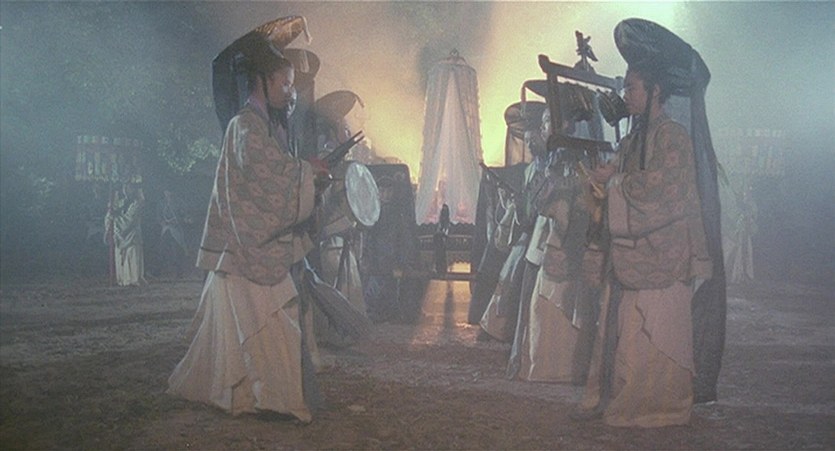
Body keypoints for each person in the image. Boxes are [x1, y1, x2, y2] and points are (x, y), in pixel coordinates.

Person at [167, 36, 325, 423]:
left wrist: (305, 172)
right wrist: (307, 172)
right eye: (284, 83)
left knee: (243, 335)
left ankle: (253, 398)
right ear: (262, 81)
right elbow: (268, 179)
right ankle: (274, 400)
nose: (290, 92)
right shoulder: (244, 127)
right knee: (270, 326)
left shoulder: (260, 127)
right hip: (247, 249)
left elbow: (275, 172)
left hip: (245, 248)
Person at [577, 63, 713, 427]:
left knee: (657, 329)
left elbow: (667, 189)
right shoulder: (632, 139)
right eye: (625, 87)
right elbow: (624, 177)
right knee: (625, 330)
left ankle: (660, 406)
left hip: (664, 251)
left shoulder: (673, 137)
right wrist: (605, 178)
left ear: (655, 91)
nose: (626, 95)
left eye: (632, 87)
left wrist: (617, 183)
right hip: (631, 251)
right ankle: (625, 400)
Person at [105, 183, 147, 287]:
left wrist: (115, 219)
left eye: (129, 188)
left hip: (132, 235)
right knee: (121, 257)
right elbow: (110, 215)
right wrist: (110, 217)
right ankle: (122, 278)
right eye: (124, 188)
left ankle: (134, 279)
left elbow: (129, 220)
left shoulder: (137, 204)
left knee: (132, 256)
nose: (126, 190)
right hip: (120, 236)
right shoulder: (121, 203)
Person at [156, 189, 189, 278]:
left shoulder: (179, 202)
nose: (168, 194)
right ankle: (159, 271)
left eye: (169, 191)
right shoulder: (161, 203)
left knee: (176, 251)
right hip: (166, 230)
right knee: (162, 250)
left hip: (176, 230)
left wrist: (179, 220)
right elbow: (159, 216)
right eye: (166, 192)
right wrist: (162, 222)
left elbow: (184, 214)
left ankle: (179, 272)